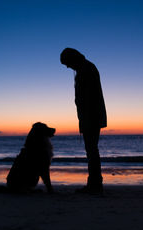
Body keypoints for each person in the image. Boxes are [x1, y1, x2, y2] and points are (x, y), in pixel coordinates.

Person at [60, 48, 107, 194]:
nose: (68, 67)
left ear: (73, 59)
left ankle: (95, 185)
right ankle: (94, 183)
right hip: (90, 116)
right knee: (91, 150)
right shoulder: (85, 68)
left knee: (92, 150)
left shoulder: (86, 69)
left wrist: (85, 117)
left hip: (91, 117)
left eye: (67, 63)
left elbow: (89, 98)